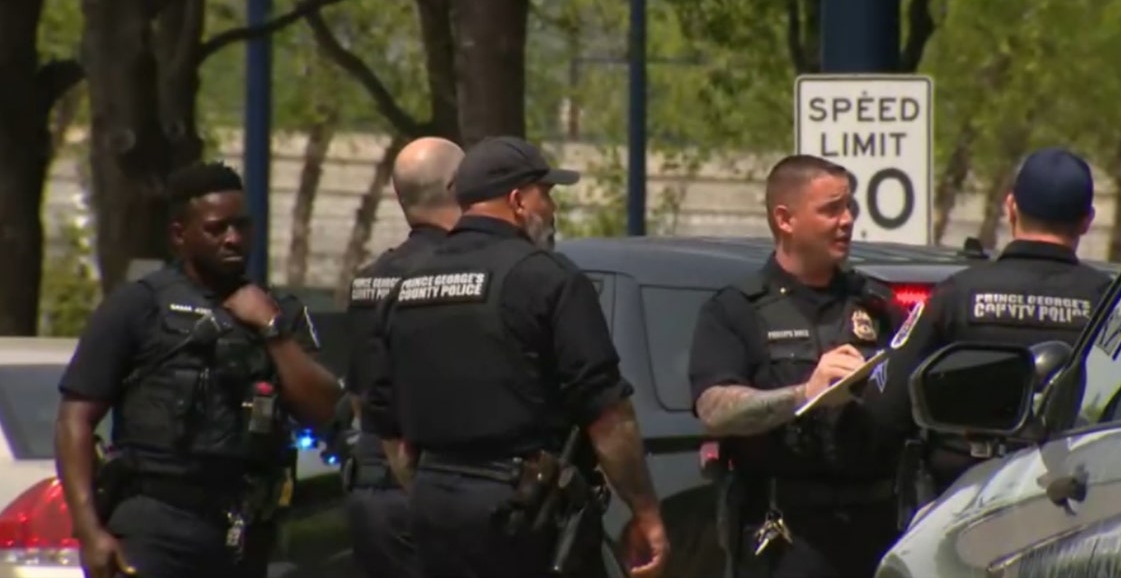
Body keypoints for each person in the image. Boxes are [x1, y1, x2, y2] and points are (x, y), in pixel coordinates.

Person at [370, 136, 669, 578]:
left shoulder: (407, 286)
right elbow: (607, 415)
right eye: (545, 194)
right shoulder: (547, 279)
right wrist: (644, 512)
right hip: (524, 513)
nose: (551, 209)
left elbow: (389, 426)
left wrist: (429, 495)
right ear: (517, 200)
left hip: (433, 507)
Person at [53, 162, 343, 578]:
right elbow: (74, 420)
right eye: (217, 228)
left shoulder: (279, 311)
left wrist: (271, 330)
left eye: (242, 226)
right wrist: (87, 529)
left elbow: (324, 408)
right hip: (155, 521)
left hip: (245, 527)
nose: (234, 239)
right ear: (179, 234)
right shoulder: (138, 306)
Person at [689, 154, 910, 578]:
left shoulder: (875, 305)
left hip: (878, 529)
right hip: (787, 534)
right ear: (785, 219)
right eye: (831, 209)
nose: (846, 220)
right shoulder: (736, 310)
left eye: (849, 207)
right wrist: (804, 395)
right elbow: (714, 409)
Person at [860, 146, 1113, 494]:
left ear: (1011, 207)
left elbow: (884, 406)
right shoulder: (1111, 303)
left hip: (966, 498)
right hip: (1076, 496)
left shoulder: (956, 294)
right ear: (1087, 220)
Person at [344, 137, 464, 578]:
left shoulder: (367, 280)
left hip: (371, 484)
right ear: (458, 186)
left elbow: (360, 393)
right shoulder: (462, 275)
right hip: (436, 483)